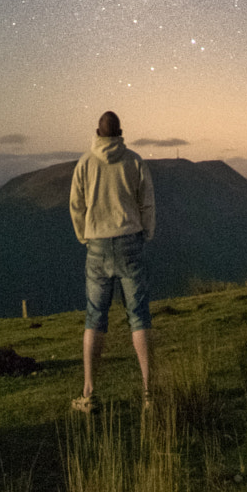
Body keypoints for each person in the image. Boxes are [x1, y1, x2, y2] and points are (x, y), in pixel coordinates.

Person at [68, 109, 156, 410]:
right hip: (131, 242)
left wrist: (84, 236)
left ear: (97, 131)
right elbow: (147, 202)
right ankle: (148, 393)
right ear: (120, 132)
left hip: (97, 247)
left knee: (95, 317)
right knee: (139, 316)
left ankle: (89, 393)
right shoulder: (134, 161)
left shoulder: (85, 163)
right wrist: (145, 233)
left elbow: (76, 206)